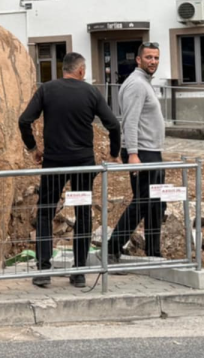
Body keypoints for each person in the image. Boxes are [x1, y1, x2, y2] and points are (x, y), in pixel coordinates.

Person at [19, 52, 121, 289]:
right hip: (82, 164)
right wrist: (114, 153)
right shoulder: (91, 93)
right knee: (83, 212)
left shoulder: (47, 90)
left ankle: (44, 270)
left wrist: (33, 148)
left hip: (54, 163)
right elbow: (113, 124)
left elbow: (24, 120)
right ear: (81, 71)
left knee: (45, 211)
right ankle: (79, 271)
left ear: (63, 70)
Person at [107, 42, 167, 263]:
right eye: (149, 57)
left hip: (152, 150)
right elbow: (129, 122)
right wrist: (132, 153)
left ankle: (153, 251)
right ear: (139, 60)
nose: (153, 61)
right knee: (143, 201)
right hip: (141, 152)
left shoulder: (144, 82)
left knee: (156, 202)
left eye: (156, 58)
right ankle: (112, 246)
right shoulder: (136, 84)